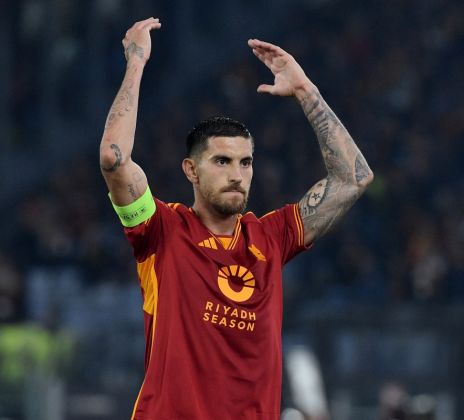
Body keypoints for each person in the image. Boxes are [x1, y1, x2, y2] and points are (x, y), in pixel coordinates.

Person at [99, 18, 373, 419]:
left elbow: (355, 177)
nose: (236, 174)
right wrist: (137, 62)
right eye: (222, 161)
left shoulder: (272, 237)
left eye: (246, 162)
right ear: (191, 170)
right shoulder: (160, 231)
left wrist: (305, 92)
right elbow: (113, 158)